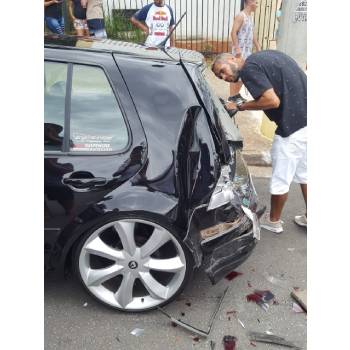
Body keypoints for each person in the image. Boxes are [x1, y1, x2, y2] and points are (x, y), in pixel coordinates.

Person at [211, 51, 307, 233]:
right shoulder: (266, 57)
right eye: (219, 77)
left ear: (233, 59)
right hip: (308, 121)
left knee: (280, 179)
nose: (224, 77)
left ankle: (273, 221)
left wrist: (240, 106)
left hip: (291, 129)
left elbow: (272, 101)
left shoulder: (248, 69)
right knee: (306, 174)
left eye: (222, 71)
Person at [230, 0, 260, 99]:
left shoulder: (250, 17)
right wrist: (237, 49)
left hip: (247, 51)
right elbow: (233, 32)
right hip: (240, 51)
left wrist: (258, 47)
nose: (257, 5)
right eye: (256, 3)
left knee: (243, 75)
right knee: (236, 74)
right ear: (250, 2)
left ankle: (236, 95)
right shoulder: (241, 16)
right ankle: (232, 97)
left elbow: (253, 34)